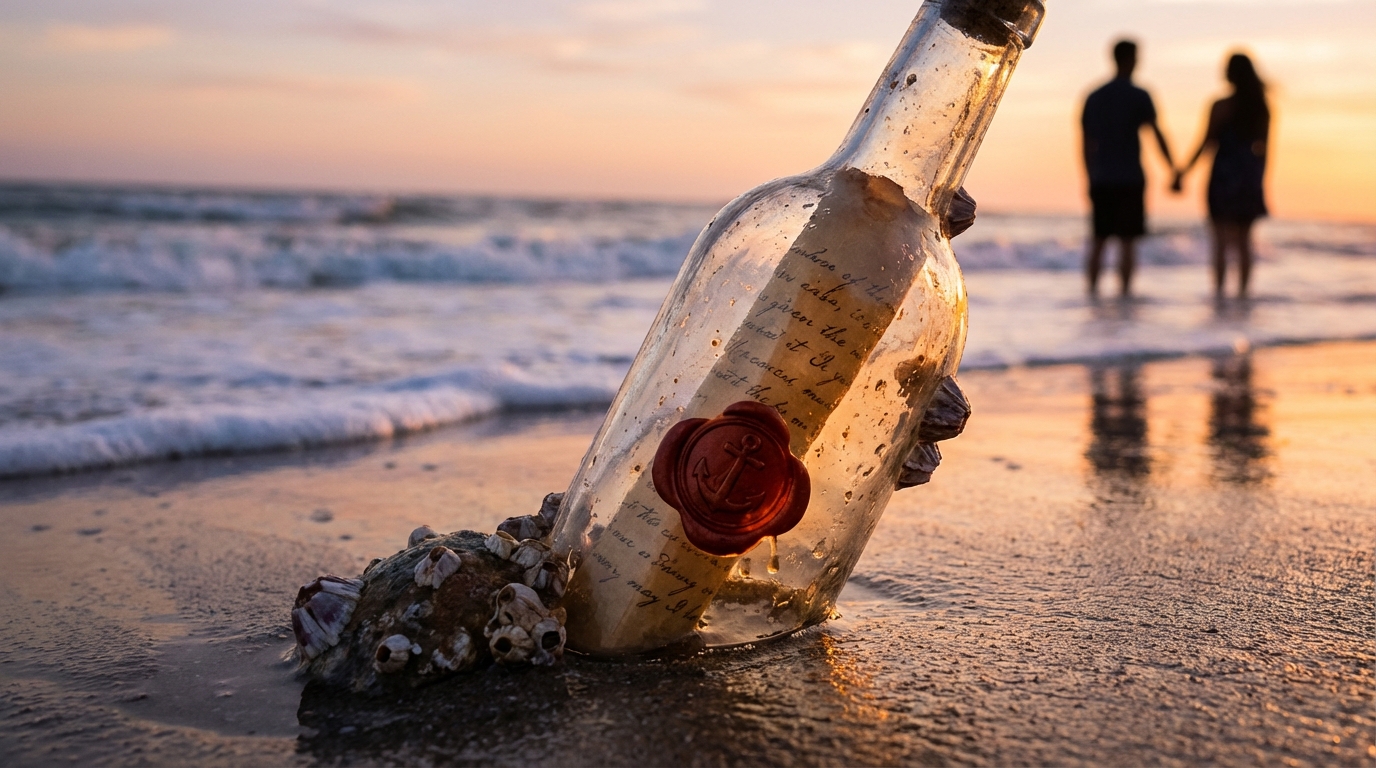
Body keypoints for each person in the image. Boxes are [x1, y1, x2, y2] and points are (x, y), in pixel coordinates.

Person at [1081, 39, 1175, 296]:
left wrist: (1089, 178)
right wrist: (1173, 169)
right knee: (1127, 241)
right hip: (1130, 177)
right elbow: (1156, 135)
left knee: (1099, 239)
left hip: (1103, 177)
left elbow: (1086, 144)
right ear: (1132, 59)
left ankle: (1092, 293)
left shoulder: (1095, 96)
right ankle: (1124, 295)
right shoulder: (1139, 95)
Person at [1174, 53, 1270, 298]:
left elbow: (1205, 144)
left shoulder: (1221, 105)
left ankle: (1219, 293)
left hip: (1223, 176)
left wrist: (1184, 172)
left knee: (1220, 241)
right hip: (1248, 176)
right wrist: (1259, 181)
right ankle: (1243, 295)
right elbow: (1265, 150)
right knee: (1244, 242)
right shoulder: (1260, 107)